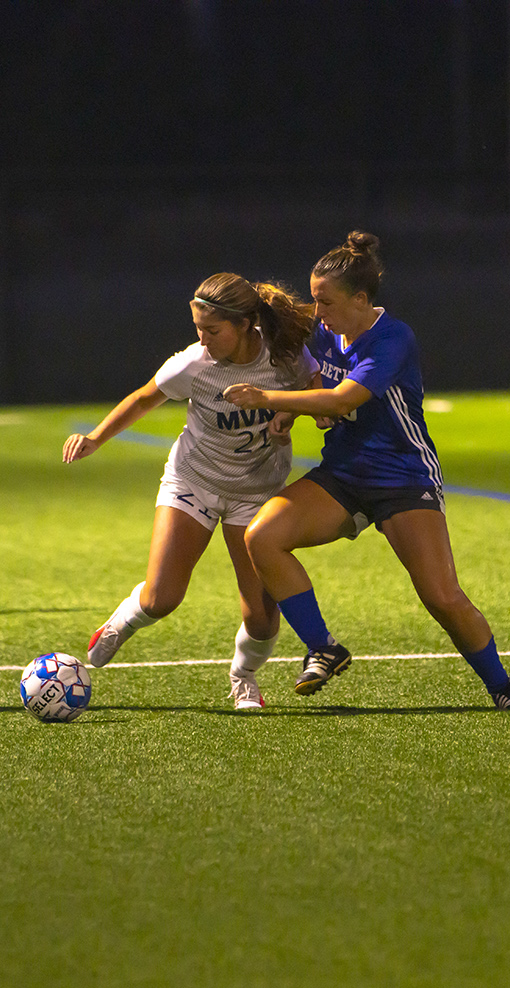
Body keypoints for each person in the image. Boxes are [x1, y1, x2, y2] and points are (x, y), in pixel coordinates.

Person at [225, 231, 510, 709]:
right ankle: (323, 647)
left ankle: (502, 685)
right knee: (261, 538)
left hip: (402, 478)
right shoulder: (325, 330)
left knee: (441, 597)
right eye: (313, 298)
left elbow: (345, 397)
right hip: (343, 477)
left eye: (324, 300)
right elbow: (317, 377)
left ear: (361, 299)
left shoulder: (393, 338)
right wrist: (298, 409)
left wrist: (268, 399)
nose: (316, 310)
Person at [64, 273, 320, 709]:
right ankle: (120, 624)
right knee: (162, 598)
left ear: (245, 325)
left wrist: (287, 416)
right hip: (194, 480)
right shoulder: (193, 365)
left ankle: (243, 677)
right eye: (197, 328)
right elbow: (145, 398)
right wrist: (96, 438)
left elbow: (313, 389)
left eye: (212, 330)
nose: (202, 338)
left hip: (257, 489)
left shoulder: (285, 353)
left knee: (261, 618)